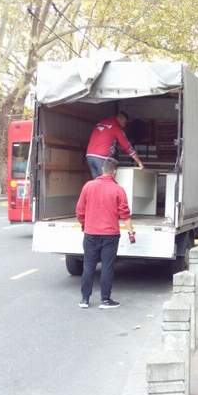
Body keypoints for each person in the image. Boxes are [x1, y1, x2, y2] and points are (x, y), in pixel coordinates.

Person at [75, 157, 135, 309]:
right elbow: (125, 214)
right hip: (110, 235)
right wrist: (131, 232)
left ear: (102, 170)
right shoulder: (118, 190)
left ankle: (84, 299)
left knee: (88, 266)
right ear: (115, 172)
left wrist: (84, 224)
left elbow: (79, 211)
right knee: (107, 267)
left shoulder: (88, 186)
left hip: (90, 234)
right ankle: (105, 300)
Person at [85, 112, 144, 178]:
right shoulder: (116, 128)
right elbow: (127, 146)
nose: (124, 126)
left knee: (97, 181)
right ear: (121, 119)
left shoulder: (102, 122)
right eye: (124, 123)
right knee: (106, 181)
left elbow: (104, 139)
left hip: (89, 156)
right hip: (101, 157)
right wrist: (139, 162)